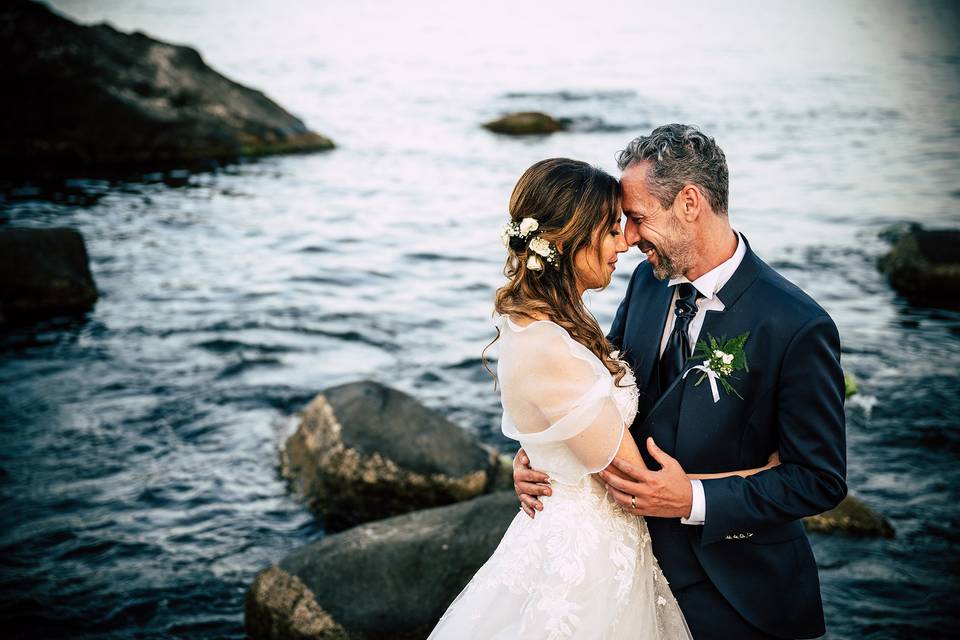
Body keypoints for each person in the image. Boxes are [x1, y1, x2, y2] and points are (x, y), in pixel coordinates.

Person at [513, 126, 848, 639]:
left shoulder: (796, 325)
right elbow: (595, 390)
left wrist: (692, 499)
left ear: (690, 203)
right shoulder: (647, 282)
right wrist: (547, 455)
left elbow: (818, 478)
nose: (627, 237)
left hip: (738, 591)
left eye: (638, 218)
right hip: (629, 571)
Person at [427, 158, 778, 640]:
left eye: (629, 223)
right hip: (587, 563)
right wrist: (762, 474)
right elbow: (636, 481)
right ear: (569, 240)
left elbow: (589, 400)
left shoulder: (562, 323)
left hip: (615, 549)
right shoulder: (549, 340)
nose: (624, 242)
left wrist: (546, 447)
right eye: (612, 229)